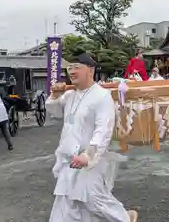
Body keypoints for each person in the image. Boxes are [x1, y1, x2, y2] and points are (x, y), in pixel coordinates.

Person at [46, 49, 138, 222]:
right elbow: (55, 111)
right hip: (69, 160)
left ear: (90, 70)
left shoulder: (101, 96)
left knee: (94, 200)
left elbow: (103, 130)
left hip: (89, 161)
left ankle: (125, 218)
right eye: (69, 68)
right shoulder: (69, 94)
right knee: (66, 203)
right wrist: (54, 95)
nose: (71, 71)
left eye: (76, 67)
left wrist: (88, 155)